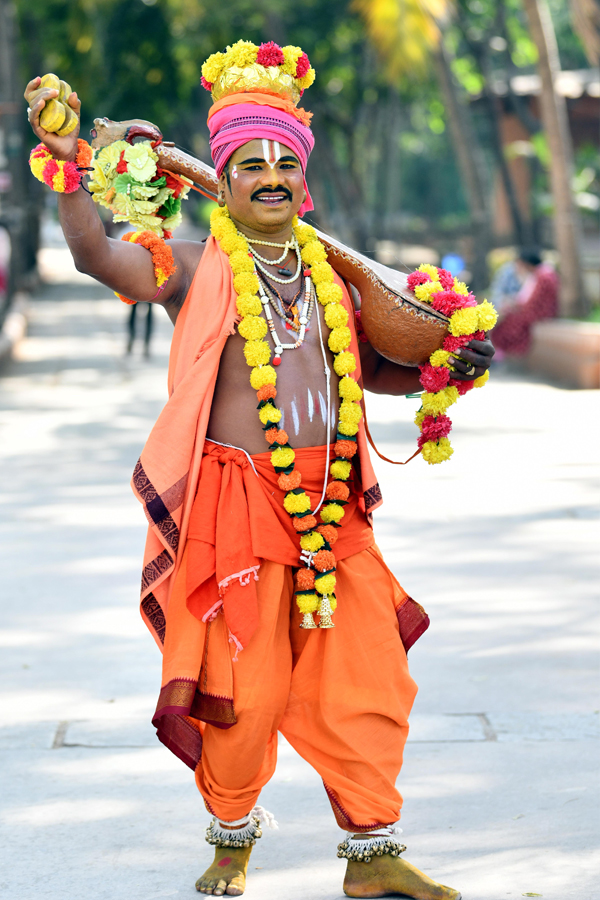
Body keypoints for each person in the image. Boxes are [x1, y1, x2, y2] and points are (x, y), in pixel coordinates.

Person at [24, 41, 494, 900]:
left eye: (285, 162)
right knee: (243, 691)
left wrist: (446, 366)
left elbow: (376, 371)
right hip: (238, 509)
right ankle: (232, 840)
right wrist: (68, 175)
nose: (271, 176)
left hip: (333, 507)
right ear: (227, 181)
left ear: (303, 183)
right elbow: (100, 259)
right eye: (250, 164)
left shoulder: (336, 282)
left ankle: (374, 856)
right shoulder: (196, 268)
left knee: (370, 683)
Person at [492, 249, 559, 357]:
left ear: (527, 264)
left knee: (507, 322)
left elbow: (534, 301)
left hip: (540, 313)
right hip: (535, 309)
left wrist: (516, 307)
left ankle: (501, 354)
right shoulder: (541, 273)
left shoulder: (543, 276)